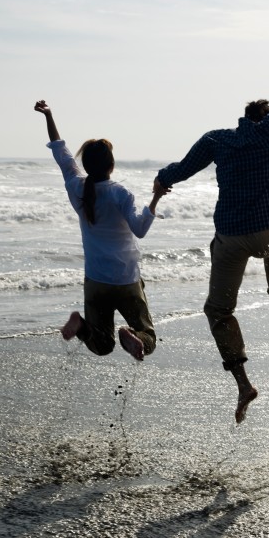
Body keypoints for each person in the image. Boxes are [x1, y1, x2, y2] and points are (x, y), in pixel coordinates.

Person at [153, 19, 269, 423]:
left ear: (243, 116)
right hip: (266, 234)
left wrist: (162, 180)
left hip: (230, 238)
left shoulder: (217, 139)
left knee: (219, 311)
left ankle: (243, 382)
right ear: (266, 118)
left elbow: (183, 169)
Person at [34, 99, 166, 362]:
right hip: (126, 277)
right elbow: (139, 230)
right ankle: (133, 336)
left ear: (88, 166)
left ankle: (81, 326)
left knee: (101, 344)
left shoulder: (77, 187)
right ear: (112, 166)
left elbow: (62, 154)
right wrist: (156, 198)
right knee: (148, 338)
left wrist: (48, 116)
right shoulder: (120, 192)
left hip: (96, 279)